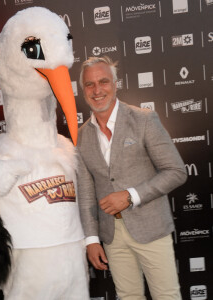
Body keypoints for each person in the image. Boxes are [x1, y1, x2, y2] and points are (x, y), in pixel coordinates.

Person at [76, 56, 187, 300]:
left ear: (115, 84)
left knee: (167, 296)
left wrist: (130, 196)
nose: (97, 90)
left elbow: (176, 171)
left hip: (151, 228)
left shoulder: (144, 120)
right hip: (112, 235)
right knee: (128, 297)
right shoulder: (81, 136)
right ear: (82, 89)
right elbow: (85, 193)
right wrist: (92, 239)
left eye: (103, 82)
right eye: (89, 84)